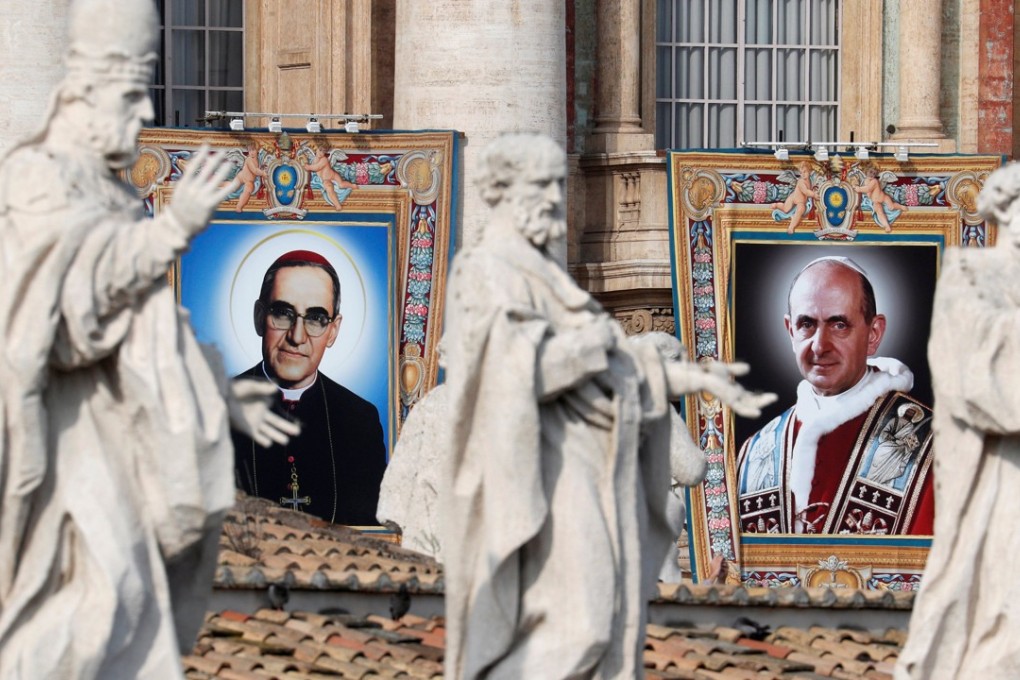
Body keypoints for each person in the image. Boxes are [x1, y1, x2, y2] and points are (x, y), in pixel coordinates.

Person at [0, 0, 297, 677]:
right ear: (81, 95)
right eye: (132, 95)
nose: (144, 115)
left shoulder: (109, 194)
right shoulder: (35, 176)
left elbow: (146, 321)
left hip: (112, 433)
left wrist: (220, 395)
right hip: (63, 440)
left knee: (129, 605)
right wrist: (170, 230)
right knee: (97, 604)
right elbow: (67, 312)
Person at [442, 133, 773, 679]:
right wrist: (588, 346)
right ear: (504, 191)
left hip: (583, 470)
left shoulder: (542, 273)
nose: (554, 198)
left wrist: (690, 378)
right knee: (586, 624)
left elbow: (619, 367)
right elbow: (507, 375)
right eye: (542, 185)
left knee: (605, 618)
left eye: (556, 183)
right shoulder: (484, 272)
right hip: (535, 479)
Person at [897, 163, 1020, 679]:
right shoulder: (970, 276)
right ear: (1009, 209)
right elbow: (979, 380)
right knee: (1002, 598)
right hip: (998, 476)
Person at [736, 256, 935, 535]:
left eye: (838, 324)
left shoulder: (934, 445)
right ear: (790, 330)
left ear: (874, 334)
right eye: (806, 324)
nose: (819, 346)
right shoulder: (753, 453)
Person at [233, 250, 387, 526]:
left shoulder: (360, 420)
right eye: (282, 313)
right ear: (259, 317)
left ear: (334, 331)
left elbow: (373, 532)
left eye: (316, 319)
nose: (297, 336)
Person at [853, 166, 908, 232]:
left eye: (874, 173)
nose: (872, 174)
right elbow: (865, 190)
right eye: (871, 172)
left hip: (884, 197)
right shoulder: (865, 181)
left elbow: (868, 189)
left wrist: (858, 189)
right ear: (866, 171)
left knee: (891, 207)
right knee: (880, 212)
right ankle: (887, 226)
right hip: (875, 202)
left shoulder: (874, 181)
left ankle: (901, 207)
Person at [772, 161, 820, 234]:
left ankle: (791, 227)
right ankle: (776, 205)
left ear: (809, 171)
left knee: (800, 209)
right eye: (801, 173)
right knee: (785, 209)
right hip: (793, 198)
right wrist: (814, 195)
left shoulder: (810, 180)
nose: (803, 174)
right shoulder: (801, 182)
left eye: (805, 172)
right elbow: (806, 191)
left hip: (801, 201)